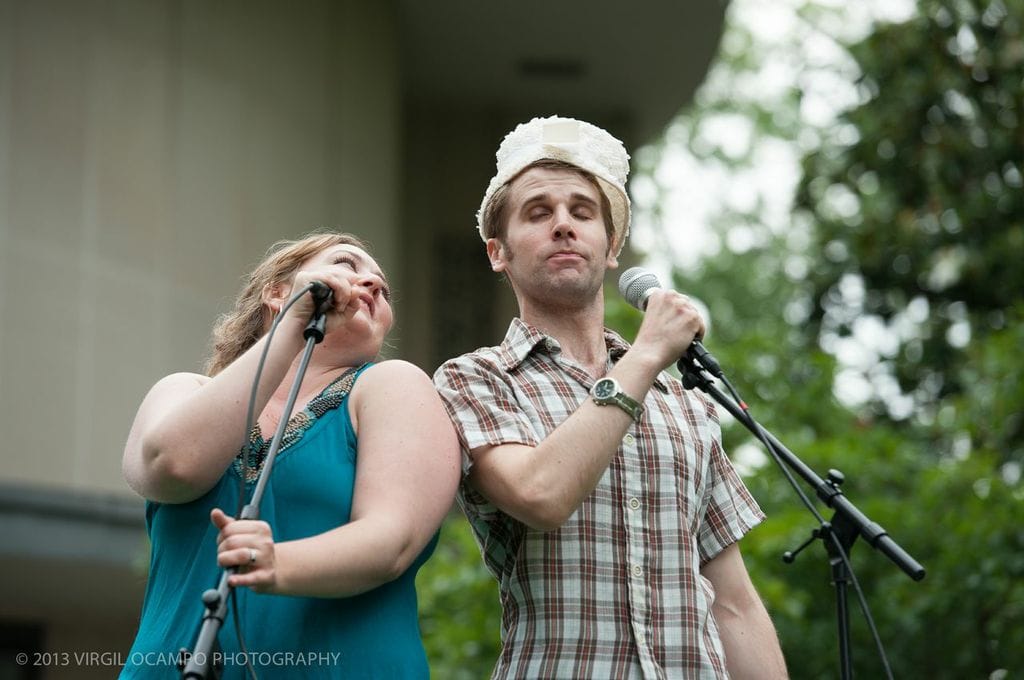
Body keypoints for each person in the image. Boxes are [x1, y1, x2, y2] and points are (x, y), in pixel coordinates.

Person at [433, 116, 788, 679]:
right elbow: (540, 495)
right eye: (538, 212)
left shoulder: (686, 403)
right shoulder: (475, 378)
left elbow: (733, 603)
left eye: (582, 212)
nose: (563, 225)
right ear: (498, 252)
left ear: (612, 246)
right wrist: (645, 357)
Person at [121, 231, 459, 679]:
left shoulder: (392, 385)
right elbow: (172, 466)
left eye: (384, 287)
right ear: (278, 292)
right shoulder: (183, 390)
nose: (374, 283)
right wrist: (293, 328)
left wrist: (278, 563)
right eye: (346, 264)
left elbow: (391, 539)